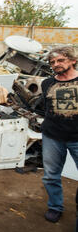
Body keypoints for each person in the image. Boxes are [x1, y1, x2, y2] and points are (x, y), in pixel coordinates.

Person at [41, 46, 78, 223]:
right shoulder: (47, 83)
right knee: (50, 175)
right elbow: (45, 108)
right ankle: (55, 207)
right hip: (52, 136)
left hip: (77, 137)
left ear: (73, 60)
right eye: (53, 62)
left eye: (60, 60)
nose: (56, 64)